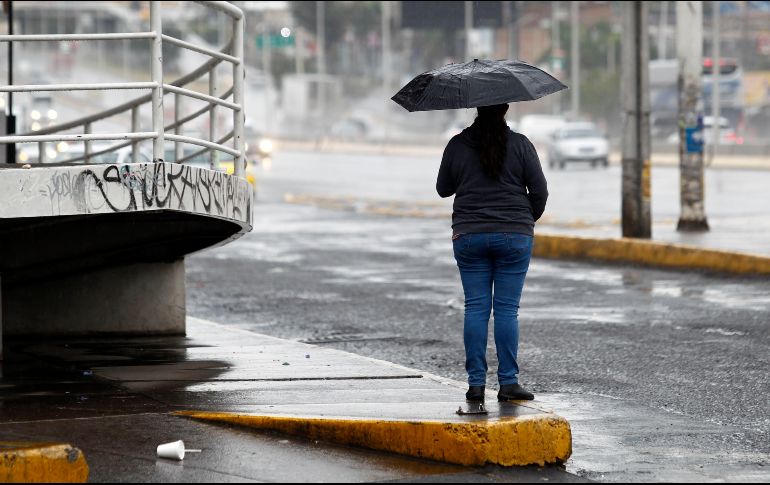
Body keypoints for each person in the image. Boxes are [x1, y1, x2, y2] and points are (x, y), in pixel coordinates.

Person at [436, 103, 548, 403]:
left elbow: (443, 189)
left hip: (469, 235)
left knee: (475, 308)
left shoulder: (458, 144)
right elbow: (540, 191)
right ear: (505, 108)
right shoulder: (521, 144)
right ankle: (508, 383)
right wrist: (524, 221)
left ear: (477, 107)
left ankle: (476, 385)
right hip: (515, 235)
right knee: (507, 310)